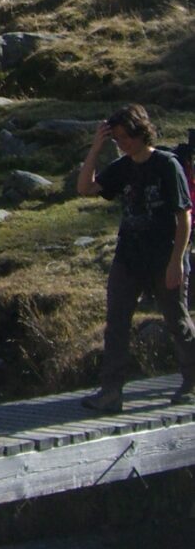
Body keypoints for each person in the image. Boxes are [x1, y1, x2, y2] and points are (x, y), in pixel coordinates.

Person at [76, 105, 195, 412]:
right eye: (116, 139)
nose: (122, 143)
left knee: (177, 321)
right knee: (116, 324)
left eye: (125, 136)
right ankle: (111, 392)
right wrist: (97, 147)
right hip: (128, 258)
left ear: (141, 131)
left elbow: (184, 218)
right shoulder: (121, 166)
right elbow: (85, 187)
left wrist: (176, 262)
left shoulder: (167, 165)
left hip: (164, 257)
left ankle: (191, 383)